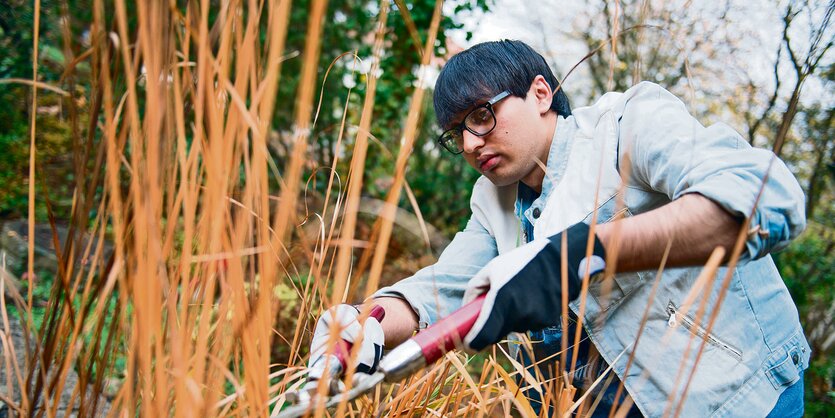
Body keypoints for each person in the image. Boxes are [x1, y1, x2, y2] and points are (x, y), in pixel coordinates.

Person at [306, 40, 809, 417]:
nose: (469, 143)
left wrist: (576, 255)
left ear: (541, 93)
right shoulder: (494, 199)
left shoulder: (627, 125)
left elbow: (765, 197)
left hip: (737, 397)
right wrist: (364, 320)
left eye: (481, 116)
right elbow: (440, 290)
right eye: (456, 132)